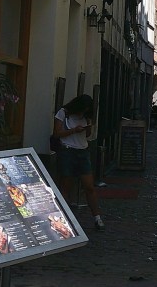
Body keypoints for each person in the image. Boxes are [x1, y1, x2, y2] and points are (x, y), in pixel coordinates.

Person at [53, 95, 104, 230]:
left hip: (83, 151)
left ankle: (97, 217)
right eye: (82, 109)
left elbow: (87, 135)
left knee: (89, 186)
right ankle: (62, 218)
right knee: (66, 186)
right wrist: (74, 130)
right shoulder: (63, 113)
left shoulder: (86, 116)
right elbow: (57, 133)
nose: (83, 112)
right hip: (67, 151)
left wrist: (87, 128)